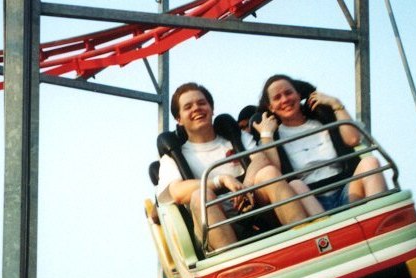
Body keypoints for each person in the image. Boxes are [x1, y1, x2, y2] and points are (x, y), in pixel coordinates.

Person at [156, 82, 310, 250]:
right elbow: (176, 191)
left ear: (211, 109)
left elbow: (261, 159)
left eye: (201, 103)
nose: (196, 109)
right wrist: (221, 181)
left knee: (268, 172)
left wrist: (247, 186)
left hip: (255, 210)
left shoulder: (236, 138)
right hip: (213, 226)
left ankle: (303, 237)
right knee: (200, 195)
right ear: (179, 119)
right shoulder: (174, 157)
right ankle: (233, 261)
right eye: (188, 107)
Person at [253, 74, 387, 211]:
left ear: (298, 95)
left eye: (288, 93)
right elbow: (276, 173)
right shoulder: (275, 135)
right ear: (271, 107)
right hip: (311, 200)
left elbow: (353, 139)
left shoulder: (322, 120)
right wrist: (266, 134)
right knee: (295, 184)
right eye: (277, 97)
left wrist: (336, 104)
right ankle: (325, 227)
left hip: (347, 191)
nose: (285, 100)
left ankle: (382, 218)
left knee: (370, 163)